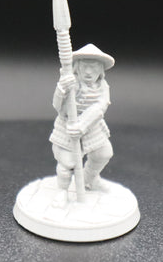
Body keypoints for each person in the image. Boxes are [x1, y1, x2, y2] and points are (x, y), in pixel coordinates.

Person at [49, 43, 115, 206]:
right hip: (67, 127)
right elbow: (57, 106)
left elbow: (101, 106)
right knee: (67, 163)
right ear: (77, 67)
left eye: (93, 68)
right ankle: (62, 191)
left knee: (104, 153)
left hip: (91, 127)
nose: (88, 72)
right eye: (85, 67)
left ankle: (90, 179)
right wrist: (61, 89)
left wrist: (82, 124)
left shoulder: (103, 86)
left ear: (100, 70)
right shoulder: (69, 83)